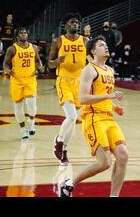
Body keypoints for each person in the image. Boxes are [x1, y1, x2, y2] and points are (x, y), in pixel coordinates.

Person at [58, 36, 128, 197]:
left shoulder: (109, 70)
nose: (106, 47)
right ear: (93, 51)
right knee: (104, 163)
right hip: (93, 119)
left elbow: (101, 96)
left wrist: (115, 107)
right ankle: (69, 184)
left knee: (123, 156)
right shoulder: (89, 69)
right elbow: (83, 99)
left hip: (108, 118)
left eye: (106, 44)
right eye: (101, 45)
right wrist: (109, 97)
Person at [49, 13, 88, 165]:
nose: (75, 24)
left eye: (77, 22)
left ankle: (64, 149)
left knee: (74, 120)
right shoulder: (58, 41)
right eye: (72, 22)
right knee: (71, 116)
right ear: (65, 25)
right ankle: (58, 140)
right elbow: (50, 64)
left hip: (79, 83)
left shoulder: (85, 40)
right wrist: (57, 61)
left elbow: (92, 60)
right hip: (64, 81)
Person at [3, 27, 44, 140]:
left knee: (31, 104)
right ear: (17, 36)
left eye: (25, 32)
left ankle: (31, 121)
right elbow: (5, 64)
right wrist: (9, 71)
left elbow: (37, 60)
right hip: (16, 80)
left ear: (27, 34)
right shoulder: (12, 49)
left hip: (30, 79)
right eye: (21, 33)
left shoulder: (34, 48)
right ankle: (22, 130)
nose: (23, 34)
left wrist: (40, 66)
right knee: (18, 107)